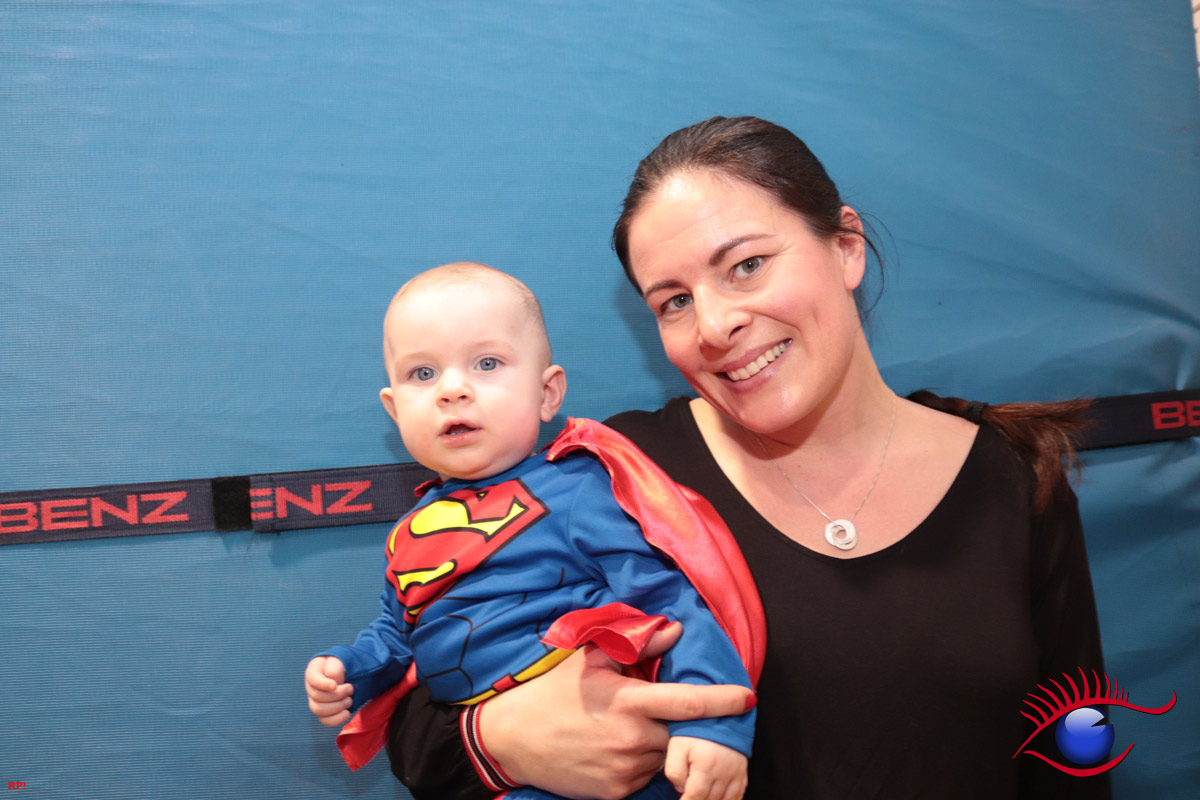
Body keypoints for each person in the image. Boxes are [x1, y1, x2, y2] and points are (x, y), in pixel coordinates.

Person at [382, 118, 1110, 799]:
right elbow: (415, 719)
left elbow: (1077, 744)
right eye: (673, 302)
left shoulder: (1010, 473)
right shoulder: (612, 471)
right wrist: (501, 739)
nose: (714, 324)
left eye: (747, 265)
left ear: (845, 246)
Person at [304, 262, 762, 800]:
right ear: (393, 409)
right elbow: (397, 634)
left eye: (487, 363)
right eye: (422, 374)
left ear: (547, 393)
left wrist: (713, 726)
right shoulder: (408, 533)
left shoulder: (578, 489)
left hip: (615, 763)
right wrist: (349, 671)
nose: (452, 389)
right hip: (503, 774)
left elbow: (671, 603)